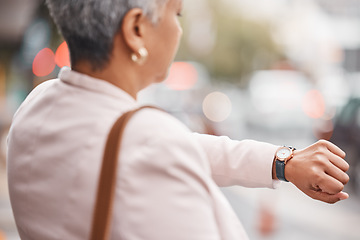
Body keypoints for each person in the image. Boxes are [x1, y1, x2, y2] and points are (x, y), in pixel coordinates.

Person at [7, 0, 349, 239]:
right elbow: (160, 149)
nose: (179, 31)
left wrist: (282, 162)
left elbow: (178, 148)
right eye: (177, 13)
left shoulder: (37, 106)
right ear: (136, 29)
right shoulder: (147, 141)